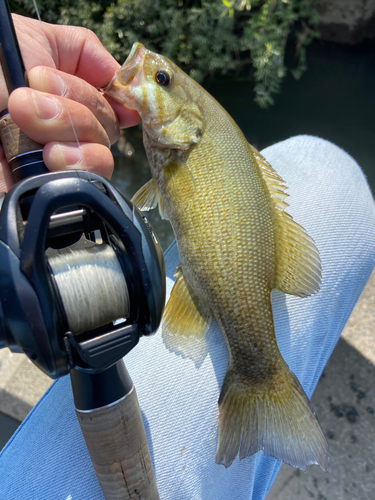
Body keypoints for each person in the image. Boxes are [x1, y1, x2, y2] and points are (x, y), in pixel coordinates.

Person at [0, 14, 374, 500]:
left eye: (161, 80)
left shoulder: (184, 149)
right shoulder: (183, 142)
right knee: (330, 165)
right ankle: (260, 384)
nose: (146, 70)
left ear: (191, 123)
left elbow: (155, 196)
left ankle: (259, 376)